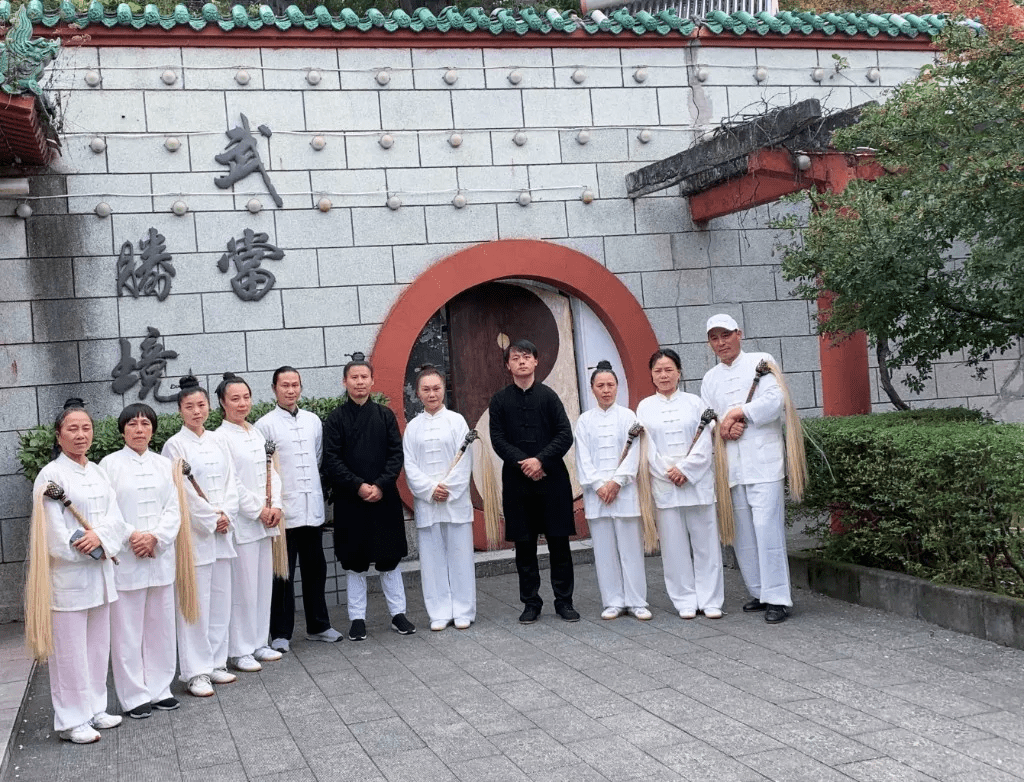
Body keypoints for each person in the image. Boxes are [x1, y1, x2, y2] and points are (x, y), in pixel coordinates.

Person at [27, 399, 128, 743]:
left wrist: (101, 536)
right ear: (58, 435)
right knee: (70, 651)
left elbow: (116, 518)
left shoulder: (97, 471)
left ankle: (96, 707)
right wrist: (86, 544)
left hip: (100, 575)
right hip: (68, 578)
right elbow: (52, 531)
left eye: (86, 428)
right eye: (72, 428)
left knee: (98, 646)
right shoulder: (51, 476)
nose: (80, 434)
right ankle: (72, 719)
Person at [700, 314, 792, 624]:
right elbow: (707, 418)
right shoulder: (710, 378)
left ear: (739, 333)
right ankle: (759, 591)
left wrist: (742, 413)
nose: (721, 342)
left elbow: (775, 400)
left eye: (725, 334)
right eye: (714, 337)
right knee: (743, 533)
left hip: (764, 463)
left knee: (768, 529)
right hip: (732, 466)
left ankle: (778, 597)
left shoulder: (761, 361)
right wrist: (723, 430)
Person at [322, 354, 414, 641]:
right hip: (351, 500)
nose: (360, 382)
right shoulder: (336, 419)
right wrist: (359, 486)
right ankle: (357, 619)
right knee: (355, 561)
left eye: (364, 377)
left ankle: (398, 614)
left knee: (389, 559)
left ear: (372, 381)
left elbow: (395, 455)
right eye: (354, 377)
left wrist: (380, 485)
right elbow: (332, 460)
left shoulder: (385, 416)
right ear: (345, 381)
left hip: (383, 497)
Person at [100, 403, 182, 719]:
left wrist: (156, 538)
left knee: (161, 627)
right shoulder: (108, 465)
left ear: (153, 429)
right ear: (122, 430)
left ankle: (161, 689)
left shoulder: (165, 465)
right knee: (127, 630)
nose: (139, 429)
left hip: (159, 556)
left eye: (145, 423)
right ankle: (134, 695)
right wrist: (134, 535)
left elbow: (174, 509)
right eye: (132, 423)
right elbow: (109, 512)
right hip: (128, 557)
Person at [488, 339, 578, 624]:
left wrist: (540, 460)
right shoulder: (500, 400)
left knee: (559, 544)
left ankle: (564, 601)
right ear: (508, 365)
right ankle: (531, 603)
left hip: (552, 479)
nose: (522, 362)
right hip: (518, 483)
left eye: (527, 356)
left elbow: (565, 434)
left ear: (536, 361)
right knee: (524, 546)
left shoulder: (549, 397)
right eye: (516, 358)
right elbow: (498, 440)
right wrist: (524, 463)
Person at [161, 375, 240, 696]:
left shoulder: (218, 440)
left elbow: (232, 482)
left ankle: (217, 662)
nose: (196, 411)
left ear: (210, 407)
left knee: (221, 601)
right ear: (180, 410)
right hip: (196, 537)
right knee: (196, 603)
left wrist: (227, 515)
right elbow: (181, 494)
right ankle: (196, 671)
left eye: (201, 405)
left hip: (223, 533)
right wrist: (211, 518)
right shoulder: (174, 446)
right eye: (189, 406)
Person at [255, 366, 340, 650]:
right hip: (283, 512)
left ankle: (319, 625)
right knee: (283, 573)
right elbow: (264, 471)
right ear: (274, 389)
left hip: (311, 508)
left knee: (316, 569)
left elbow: (318, 457)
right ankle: (280, 633)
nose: (290, 390)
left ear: (301, 388)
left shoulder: (313, 421)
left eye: (295, 385)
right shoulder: (265, 425)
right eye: (284, 385)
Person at [637, 349, 724, 620]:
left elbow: (706, 441)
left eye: (669, 369)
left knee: (706, 544)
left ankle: (710, 599)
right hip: (665, 485)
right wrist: (667, 472)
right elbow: (645, 448)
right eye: (658, 371)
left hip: (697, 482)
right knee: (674, 547)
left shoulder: (695, 403)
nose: (664, 375)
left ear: (679, 372)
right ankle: (684, 599)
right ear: (651, 375)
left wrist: (686, 469)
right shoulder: (644, 407)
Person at [215, 373, 284, 672]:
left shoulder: (255, 433)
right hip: (243, 523)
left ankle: (259, 642)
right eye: (235, 398)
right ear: (222, 402)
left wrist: (276, 505)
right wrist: (257, 509)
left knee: (261, 585)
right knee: (242, 587)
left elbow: (272, 473)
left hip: (265, 522)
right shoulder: (220, 438)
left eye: (246, 397)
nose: (242, 403)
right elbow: (233, 484)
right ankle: (240, 649)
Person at [574, 361, 651, 621]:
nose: (606, 390)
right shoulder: (584, 421)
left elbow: (634, 455)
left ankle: (637, 601)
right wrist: (598, 485)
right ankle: (613, 601)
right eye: (600, 386)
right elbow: (582, 459)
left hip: (624, 492)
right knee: (604, 551)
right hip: (598, 497)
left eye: (610, 385)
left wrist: (617, 482)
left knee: (631, 549)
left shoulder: (629, 417)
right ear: (592, 389)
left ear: (617, 387)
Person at [403, 366, 476, 631]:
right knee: (432, 561)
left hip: (455, 501)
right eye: (426, 389)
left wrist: (449, 488)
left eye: (436, 388)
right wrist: (430, 490)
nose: (432, 394)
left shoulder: (457, 421)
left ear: (443, 389)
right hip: (428, 503)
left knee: (460, 556)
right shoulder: (412, 427)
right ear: (418, 392)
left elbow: (465, 459)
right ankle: (438, 611)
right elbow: (409, 465)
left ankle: (463, 609)